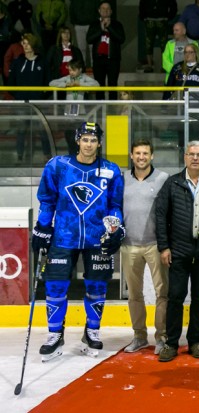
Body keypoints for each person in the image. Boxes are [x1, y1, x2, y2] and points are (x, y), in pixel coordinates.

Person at [32, 121, 124, 361]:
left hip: (97, 238)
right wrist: (42, 228)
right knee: (55, 287)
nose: (89, 144)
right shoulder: (58, 166)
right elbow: (47, 200)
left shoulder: (111, 170)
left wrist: (115, 229)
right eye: (85, 139)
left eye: (93, 140)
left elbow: (115, 205)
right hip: (64, 236)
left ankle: (92, 330)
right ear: (77, 141)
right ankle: (54, 334)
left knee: (97, 286)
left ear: (99, 143)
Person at [155, 141, 199, 362]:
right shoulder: (172, 183)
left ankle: (195, 340)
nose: (195, 158)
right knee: (175, 297)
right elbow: (161, 216)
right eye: (191, 154)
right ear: (185, 157)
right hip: (179, 250)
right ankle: (171, 343)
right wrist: (164, 246)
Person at [121, 139, 170, 354]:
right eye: (138, 153)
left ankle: (162, 337)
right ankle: (139, 336)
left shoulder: (163, 179)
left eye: (145, 153)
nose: (141, 157)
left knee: (163, 293)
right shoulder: (121, 178)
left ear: (152, 156)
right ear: (132, 155)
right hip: (128, 245)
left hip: (155, 245)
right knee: (134, 294)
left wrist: (167, 244)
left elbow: (169, 213)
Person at [7, 33, 51, 162]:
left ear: (33, 44)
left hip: (39, 103)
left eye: (27, 43)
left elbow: (48, 82)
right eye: (23, 43)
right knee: (21, 130)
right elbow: (10, 84)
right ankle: (19, 156)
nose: (25, 46)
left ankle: (47, 155)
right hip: (22, 103)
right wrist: (20, 96)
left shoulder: (42, 62)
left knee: (42, 130)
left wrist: (41, 96)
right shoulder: (17, 62)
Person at [87, 1, 125, 100]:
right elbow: (89, 39)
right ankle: (100, 111)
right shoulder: (94, 24)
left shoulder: (117, 24)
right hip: (98, 60)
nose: (105, 11)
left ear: (111, 11)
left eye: (108, 9)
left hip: (113, 59)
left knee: (112, 85)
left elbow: (121, 39)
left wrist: (109, 27)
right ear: (99, 11)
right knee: (99, 86)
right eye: (103, 9)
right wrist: (101, 29)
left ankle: (112, 109)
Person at [139, 0, 178, 73]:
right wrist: (143, 16)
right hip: (150, 20)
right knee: (148, 43)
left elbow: (173, 5)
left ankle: (164, 66)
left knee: (164, 44)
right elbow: (142, 5)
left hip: (162, 20)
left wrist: (168, 17)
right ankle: (150, 65)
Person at [69, 0, 100, 70]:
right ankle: (82, 66)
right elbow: (71, 10)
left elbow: (98, 10)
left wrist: (95, 23)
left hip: (92, 25)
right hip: (79, 25)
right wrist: (74, 23)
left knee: (93, 47)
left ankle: (94, 66)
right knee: (81, 48)